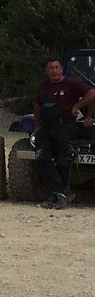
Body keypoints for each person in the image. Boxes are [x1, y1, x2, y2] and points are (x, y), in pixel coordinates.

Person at [32, 57, 95, 209]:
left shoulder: (71, 83)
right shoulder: (43, 87)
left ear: (61, 69)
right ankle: (64, 192)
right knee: (42, 159)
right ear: (46, 71)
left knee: (62, 162)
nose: (54, 71)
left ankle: (57, 196)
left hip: (65, 127)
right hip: (46, 128)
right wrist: (37, 125)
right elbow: (37, 105)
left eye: (56, 67)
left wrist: (77, 106)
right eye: (51, 68)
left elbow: (92, 93)